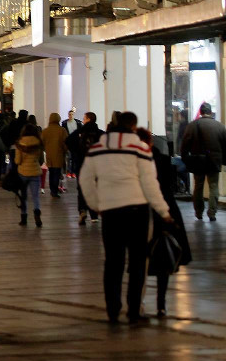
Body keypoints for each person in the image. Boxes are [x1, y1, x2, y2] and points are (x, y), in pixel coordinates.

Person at [80, 112, 173, 323]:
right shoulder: (140, 149)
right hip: (137, 211)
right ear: (133, 127)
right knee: (139, 261)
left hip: (111, 212)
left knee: (113, 262)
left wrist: (96, 205)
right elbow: (150, 184)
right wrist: (163, 211)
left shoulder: (97, 149)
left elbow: (85, 180)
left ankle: (113, 310)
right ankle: (133, 311)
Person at [137, 128, 191, 318]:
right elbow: (167, 188)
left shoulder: (135, 161)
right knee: (163, 259)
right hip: (164, 212)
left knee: (140, 261)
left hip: (143, 212)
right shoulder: (163, 160)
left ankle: (138, 303)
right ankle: (161, 304)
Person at [181, 102, 226, 221]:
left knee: (198, 186)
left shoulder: (192, 126)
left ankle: (198, 212)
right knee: (214, 186)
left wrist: (186, 159)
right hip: (214, 160)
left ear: (200, 112)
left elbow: (185, 145)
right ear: (211, 112)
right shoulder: (220, 126)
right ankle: (212, 213)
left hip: (198, 160)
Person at [67, 112, 101, 224]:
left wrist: (76, 152)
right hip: (96, 166)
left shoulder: (79, 132)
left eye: (84, 118)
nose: (83, 120)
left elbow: (68, 141)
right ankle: (94, 215)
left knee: (82, 189)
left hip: (82, 165)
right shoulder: (100, 133)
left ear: (88, 119)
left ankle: (82, 210)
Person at [14, 124, 45, 227]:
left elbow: (18, 160)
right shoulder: (38, 142)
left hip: (23, 172)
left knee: (24, 196)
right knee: (35, 196)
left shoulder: (20, 143)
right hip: (35, 172)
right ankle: (37, 214)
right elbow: (41, 160)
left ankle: (24, 218)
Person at [42, 113, 68, 198]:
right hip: (59, 155)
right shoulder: (62, 130)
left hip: (49, 155)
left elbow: (41, 143)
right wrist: (66, 151)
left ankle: (52, 190)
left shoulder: (45, 131)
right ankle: (54, 191)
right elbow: (65, 143)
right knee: (57, 173)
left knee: (51, 173)